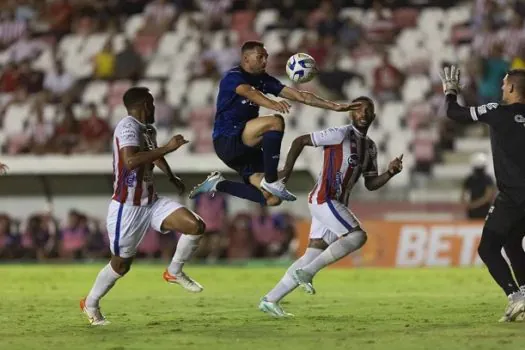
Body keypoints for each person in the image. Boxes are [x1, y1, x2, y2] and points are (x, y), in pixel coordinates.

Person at [258, 97, 403, 317]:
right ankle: (307, 273)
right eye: (357, 110)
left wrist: (390, 172)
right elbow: (299, 141)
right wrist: (285, 174)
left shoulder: (370, 147)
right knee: (357, 237)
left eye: (367, 111)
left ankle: (270, 300)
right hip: (324, 199)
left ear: (373, 116)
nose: (362, 114)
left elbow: (371, 184)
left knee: (311, 254)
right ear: (350, 114)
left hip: (334, 203)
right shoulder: (341, 134)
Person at [80, 87, 207, 326]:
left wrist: (171, 176)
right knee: (120, 265)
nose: (155, 109)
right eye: (153, 105)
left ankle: (174, 271)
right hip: (127, 208)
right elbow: (130, 161)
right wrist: (169, 147)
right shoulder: (127, 127)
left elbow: (152, 155)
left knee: (195, 226)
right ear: (146, 105)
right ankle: (90, 303)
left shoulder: (147, 129)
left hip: (152, 202)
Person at [188, 40, 360, 206]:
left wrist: (335, 106)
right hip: (228, 138)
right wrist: (272, 103)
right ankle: (272, 181)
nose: (265, 61)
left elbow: (301, 96)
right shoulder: (233, 76)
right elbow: (248, 92)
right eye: (260, 57)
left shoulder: (263, 79)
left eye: (266, 57)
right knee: (275, 122)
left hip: (245, 151)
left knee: (272, 200)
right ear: (246, 59)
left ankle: (218, 184)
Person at [440, 66, 525, 322]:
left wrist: (451, 92)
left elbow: (454, 113)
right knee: (512, 243)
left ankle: (516, 297)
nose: (501, 88)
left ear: (511, 87)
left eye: (503, 84)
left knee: (487, 248)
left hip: (512, 196)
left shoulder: (497, 111)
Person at [461, 152, 496, 219]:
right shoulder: (470, 179)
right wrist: (468, 204)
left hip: (484, 210)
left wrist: (472, 205)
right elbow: (463, 195)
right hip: (473, 211)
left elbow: (488, 197)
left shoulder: (488, 179)